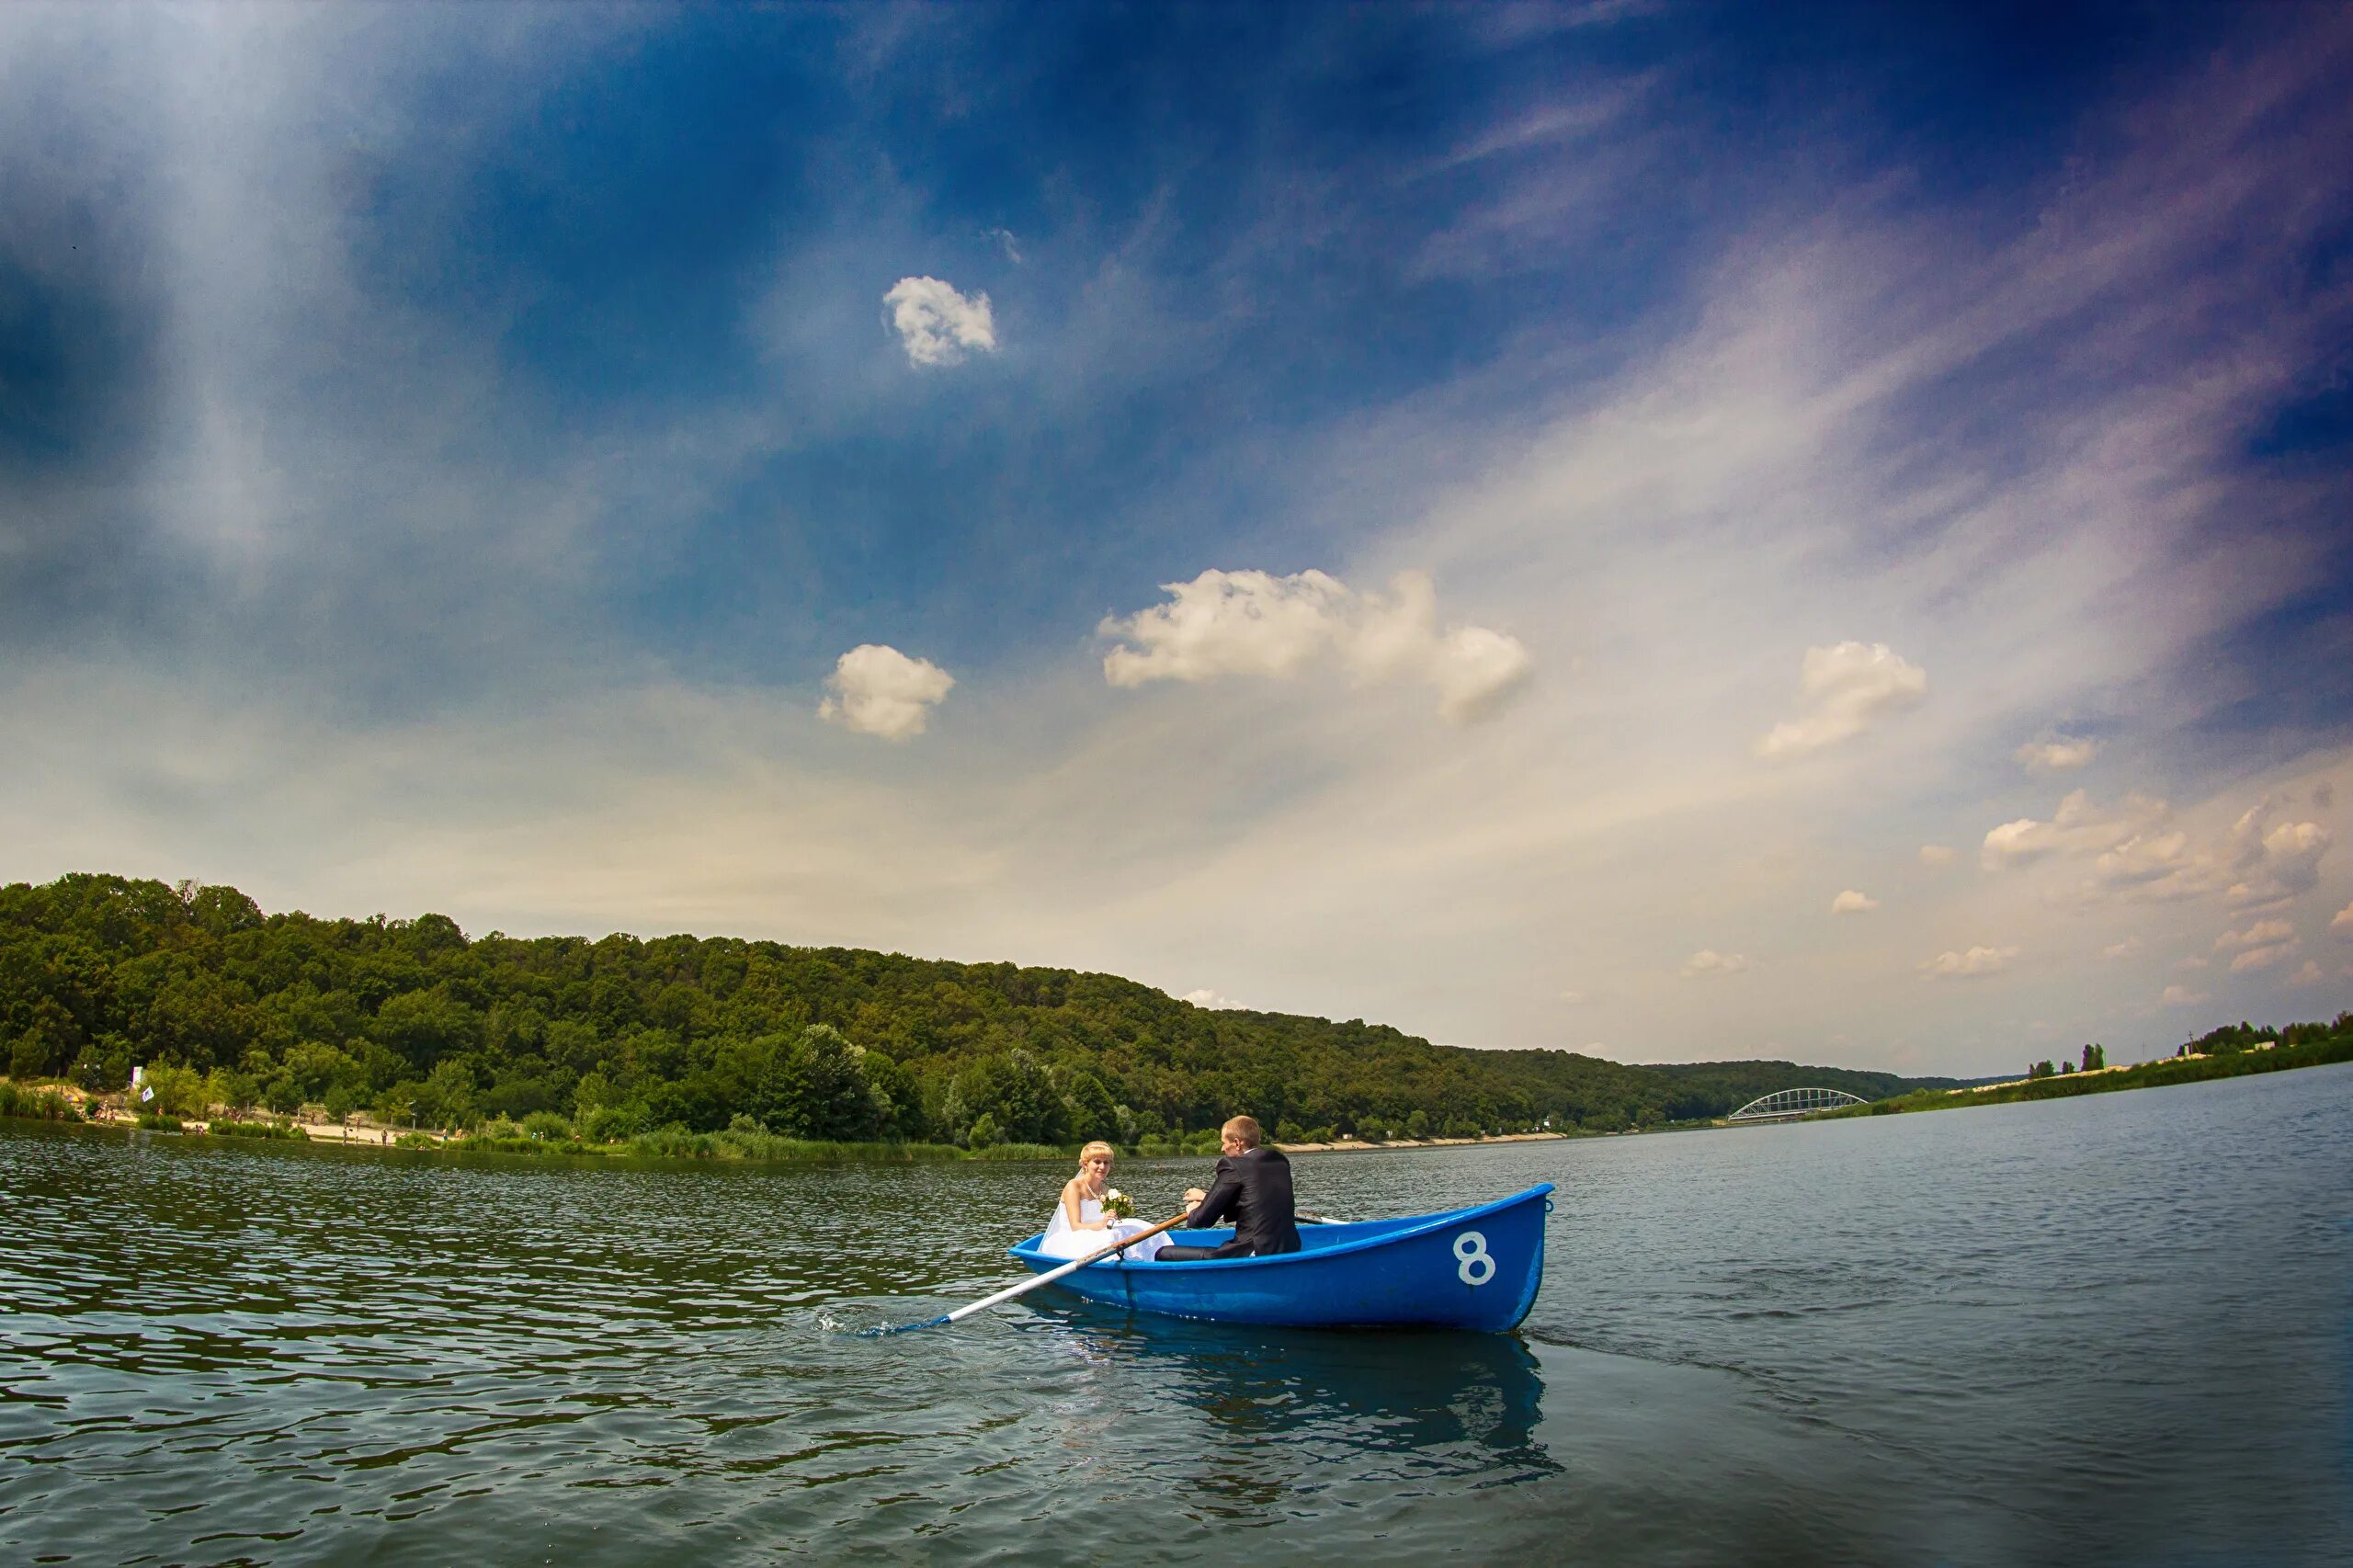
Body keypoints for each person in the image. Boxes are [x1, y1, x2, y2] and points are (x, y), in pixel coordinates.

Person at [1154, 1115, 1300, 1261]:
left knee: (1162, 1253)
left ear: (1237, 1143)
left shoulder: (1233, 1166)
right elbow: (1252, 1202)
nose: (1222, 1148)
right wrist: (1206, 1197)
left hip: (1254, 1252)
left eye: (1224, 1142)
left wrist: (1192, 1211)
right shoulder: (1279, 1161)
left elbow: (1203, 1220)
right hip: (1290, 1246)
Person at [1037, 1140, 1168, 1261]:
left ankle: (1154, 1259)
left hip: (1098, 1233)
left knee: (1140, 1228)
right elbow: (1075, 1226)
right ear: (1085, 1164)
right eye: (1097, 1162)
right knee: (1112, 1239)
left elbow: (1107, 1220)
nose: (1102, 1167)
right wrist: (1102, 1224)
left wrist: (1116, 1215)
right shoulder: (1074, 1187)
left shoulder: (1106, 1190)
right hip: (1074, 1238)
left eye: (1106, 1163)